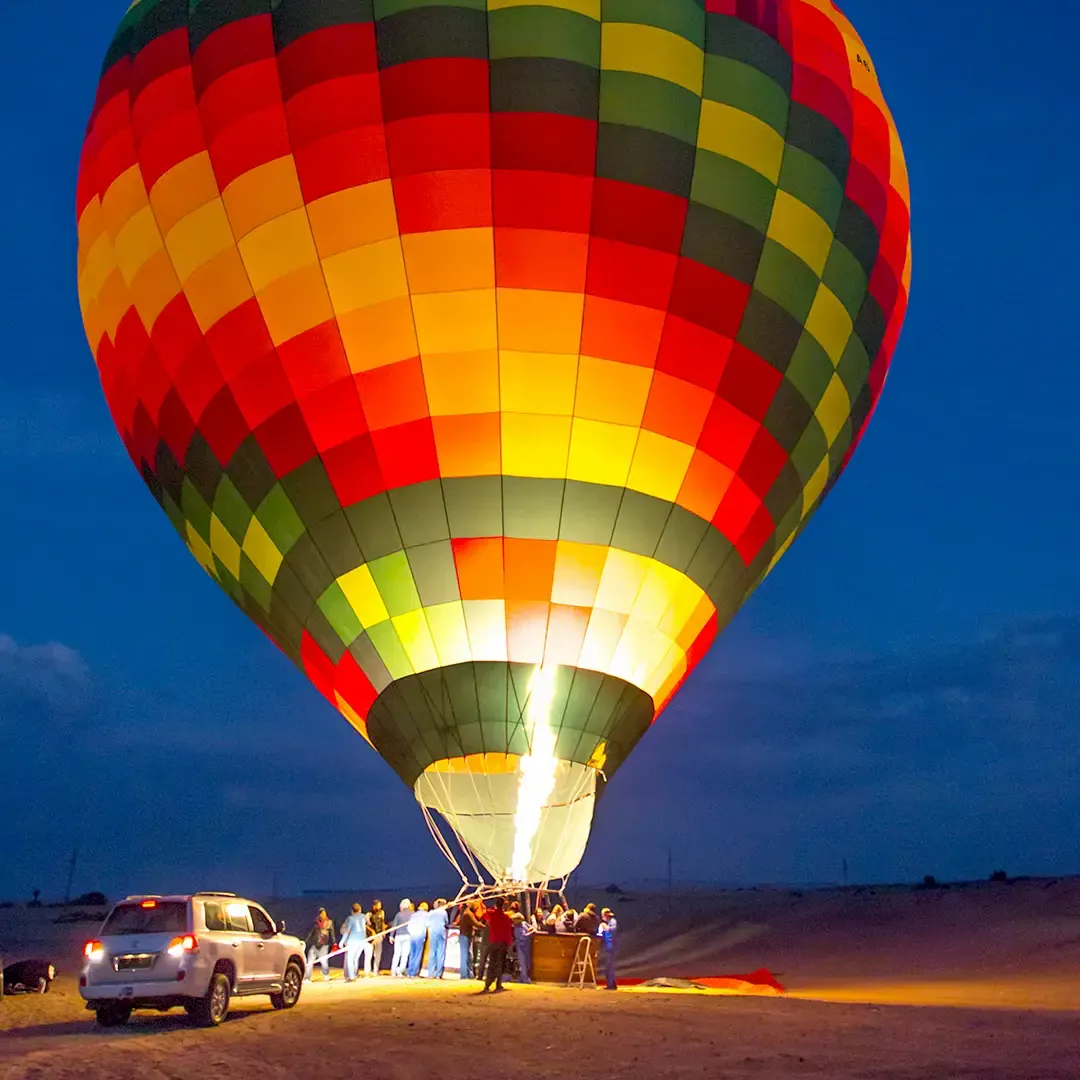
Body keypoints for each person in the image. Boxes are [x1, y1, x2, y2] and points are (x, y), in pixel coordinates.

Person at [481, 897, 514, 992]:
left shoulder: (492, 914)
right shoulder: (506, 917)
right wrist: (509, 944)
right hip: (502, 943)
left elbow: (484, 915)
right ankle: (498, 984)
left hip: (493, 941)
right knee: (500, 963)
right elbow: (508, 932)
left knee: (492, 963)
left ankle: (487, 984)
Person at [304, 908, 336, 982]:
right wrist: (305, 942)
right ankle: (307, 978)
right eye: (321, 913)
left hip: (324, 945)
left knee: (324, 961)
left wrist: (335, 944)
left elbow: (332, 934)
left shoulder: (329, 922)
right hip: (315, 944)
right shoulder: (315, 923)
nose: (322, 915)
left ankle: (326, 975)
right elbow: (310, 933)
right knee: (310, 962)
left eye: (323, 913)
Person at [339, 903, 367, 983]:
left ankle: (351, 977)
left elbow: (347, 931)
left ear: (352, 911)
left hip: (353, 941)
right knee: (356, 959)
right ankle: (354, 974)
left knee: (350, 959)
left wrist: (342, 942)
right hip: (362, 940)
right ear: (360, 910)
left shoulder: (350, 918)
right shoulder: (363, 917)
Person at [455, 900, 481, 979]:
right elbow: (476, 923)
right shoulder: (468, 914)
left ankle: (468, 974)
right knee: (466, 956)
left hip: (464, 936)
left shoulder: (463, 912)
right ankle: (464, 975)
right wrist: (486, 927)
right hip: (465, 936)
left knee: (467, 955)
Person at [509, 901, 532, 983]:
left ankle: (525, 978)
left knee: (526, 963)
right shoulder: (517, 927)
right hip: (521, 946)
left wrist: (530, 932)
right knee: (523, 963)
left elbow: (525, 935)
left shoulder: (522, 925)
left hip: (525, 946)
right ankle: (524, 977)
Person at [427, 899, 450, 979]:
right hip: (442, 932)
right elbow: (446, 922)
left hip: (433, 932)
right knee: (441, 953)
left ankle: (430, 973)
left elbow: (427, 923)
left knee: (432, 952)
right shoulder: (444, 912)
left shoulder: (431, 913)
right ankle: (438, 974)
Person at [390, 899, 413, 977]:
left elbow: (394, 926)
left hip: (398, 936)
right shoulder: (412, 914)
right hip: (408, 936)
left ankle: (393, 971)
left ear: (402, 906)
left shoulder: (398, 914)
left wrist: (391, 936)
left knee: (396, 954)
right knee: (404, 955)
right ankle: (400, 971)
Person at [407, 902, 429, 977]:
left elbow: (409, 925)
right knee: (417, 954)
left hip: (412, 935)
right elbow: (427, 925)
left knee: (412, 954)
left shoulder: (414, 914)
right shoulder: (426, 915)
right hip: (420, 935)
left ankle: (410, 971)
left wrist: (411, 933)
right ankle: (414, 972)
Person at [598, 907, 618, 990]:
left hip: (611, 945)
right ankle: (611, 984)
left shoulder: (613, 922)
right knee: (608, 967)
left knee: (610, 966)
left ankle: (611, 985)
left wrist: (605, 926)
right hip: (609, 945)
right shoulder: (609, 922)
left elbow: (611, 930)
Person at [366, 899, 386, 975]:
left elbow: (383, 922)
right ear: (374, 905)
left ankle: (375, 970)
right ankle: (367, 971)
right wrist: (372, 931)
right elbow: (366, 925)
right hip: (371, 937)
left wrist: (383, 930)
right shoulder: (369, 914)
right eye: (378, 905)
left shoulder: (382, 912)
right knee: (369, 954)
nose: (380, 906)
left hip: (379, 935)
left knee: (378, 954)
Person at [472, 899, 490, 980]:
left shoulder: (483, 911)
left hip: (484, 938)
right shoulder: (483, 910)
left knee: (481, 957)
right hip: (487, 938)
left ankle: (479, 975)